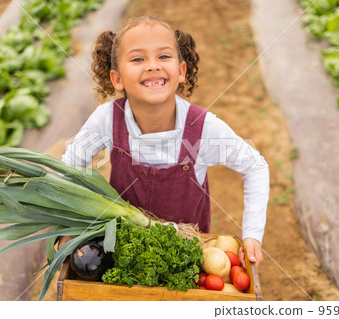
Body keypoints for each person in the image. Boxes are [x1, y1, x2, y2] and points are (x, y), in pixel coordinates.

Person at [62, 16, 269, 267]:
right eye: (138, 59)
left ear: (181, 71)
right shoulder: (107, 118)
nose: (152, 66)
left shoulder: (203, 127)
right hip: (123, 252)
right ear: (117, 79)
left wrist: (252, 235)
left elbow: (255, 166)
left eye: (164, 56)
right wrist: (70, 224)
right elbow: (71, 166)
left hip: (184, 256)